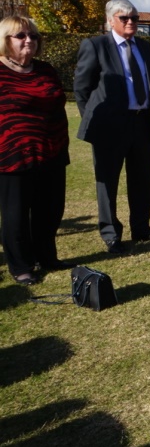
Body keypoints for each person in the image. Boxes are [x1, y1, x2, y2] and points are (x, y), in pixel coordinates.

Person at [74, 0, 150, 254]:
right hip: (109, 127)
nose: (131, 22)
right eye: (124, 18)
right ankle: (110, 234)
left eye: (134, 18)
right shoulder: (95, 46)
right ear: (110, 20)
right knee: (107, 182)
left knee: (142, 179)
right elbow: (81, 89)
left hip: (140, 122)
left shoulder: (145, 47)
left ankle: (141, 227)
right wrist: (94, 122)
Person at [0, 16, 72, 285]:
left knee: (51, 209)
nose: (29, 40)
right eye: (20, 36)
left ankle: (47, 257)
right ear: (6, 40)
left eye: (33, 36)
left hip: (52, 150)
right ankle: (21, 266)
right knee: (16, 214)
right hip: (13, 155)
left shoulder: (45, 69)